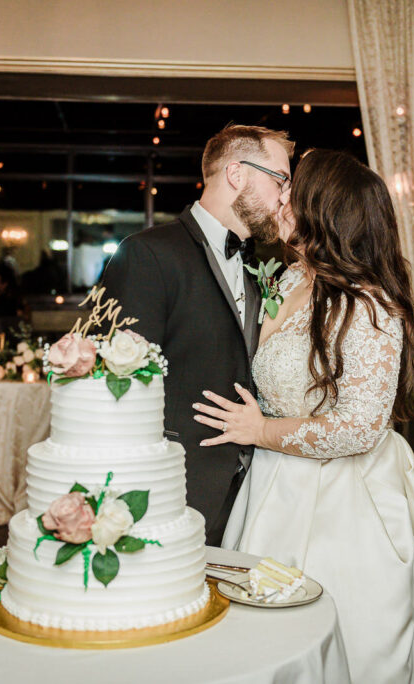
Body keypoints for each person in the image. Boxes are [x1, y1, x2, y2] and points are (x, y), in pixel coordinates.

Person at [200, 150, 414, 682]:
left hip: (347, 502)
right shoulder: (293, 280)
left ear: (325, 209)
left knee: (353, 642)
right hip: (275, 484)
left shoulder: (370, 307)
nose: (282, 197)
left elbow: (360, 427)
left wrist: (262, 430)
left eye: (295, 190)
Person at [97, 124, 294, 545]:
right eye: (280, 178)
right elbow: (118, 387)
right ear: (237, 174)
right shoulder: (147, 254)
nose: (285, 195)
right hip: (174, 487)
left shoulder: (261, 267)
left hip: (250, 487)